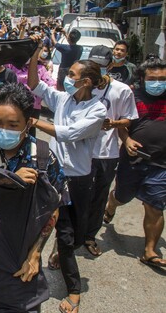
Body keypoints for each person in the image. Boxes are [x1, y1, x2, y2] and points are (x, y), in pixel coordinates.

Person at [0, 82, 68, 313]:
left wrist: (36, 253)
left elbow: (53, 207)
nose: (3, 130)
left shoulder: (43, 157)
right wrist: (6, 180)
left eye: (13, 125)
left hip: (21, 258)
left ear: (28, 123)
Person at [28, 40, 107, 313]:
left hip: (77, 179)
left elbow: (69, 133)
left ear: (85, 82)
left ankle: (74, 290)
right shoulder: (63, 98)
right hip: (52, 173)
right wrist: (33, 57)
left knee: (67, 235)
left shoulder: (97, 110)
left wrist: (34, 122)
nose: (66, 78)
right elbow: (36, 86)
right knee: (39, 223)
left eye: (71, 75)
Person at [104, 56, 166, 269]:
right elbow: (123, 123)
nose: (158, 82)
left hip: (161, 164)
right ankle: (111, 203)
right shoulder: (133, 96)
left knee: (155, 207)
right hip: (133, 160)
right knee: (122, 197)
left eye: (163, 79)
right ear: (143, 78)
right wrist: (127, 139)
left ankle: (149, 251)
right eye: (153, 78)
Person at [83, 45, 138, 257]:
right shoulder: (80, 85)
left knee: (99, 196)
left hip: (106, 153)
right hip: (81, 151)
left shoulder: (122, 90)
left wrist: (113, 124)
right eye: (92, 66)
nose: (96, 70)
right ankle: (68, 240)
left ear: (111, 66)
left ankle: (89, 236)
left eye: (101, 67)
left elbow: (129, 119)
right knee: (75, 196)